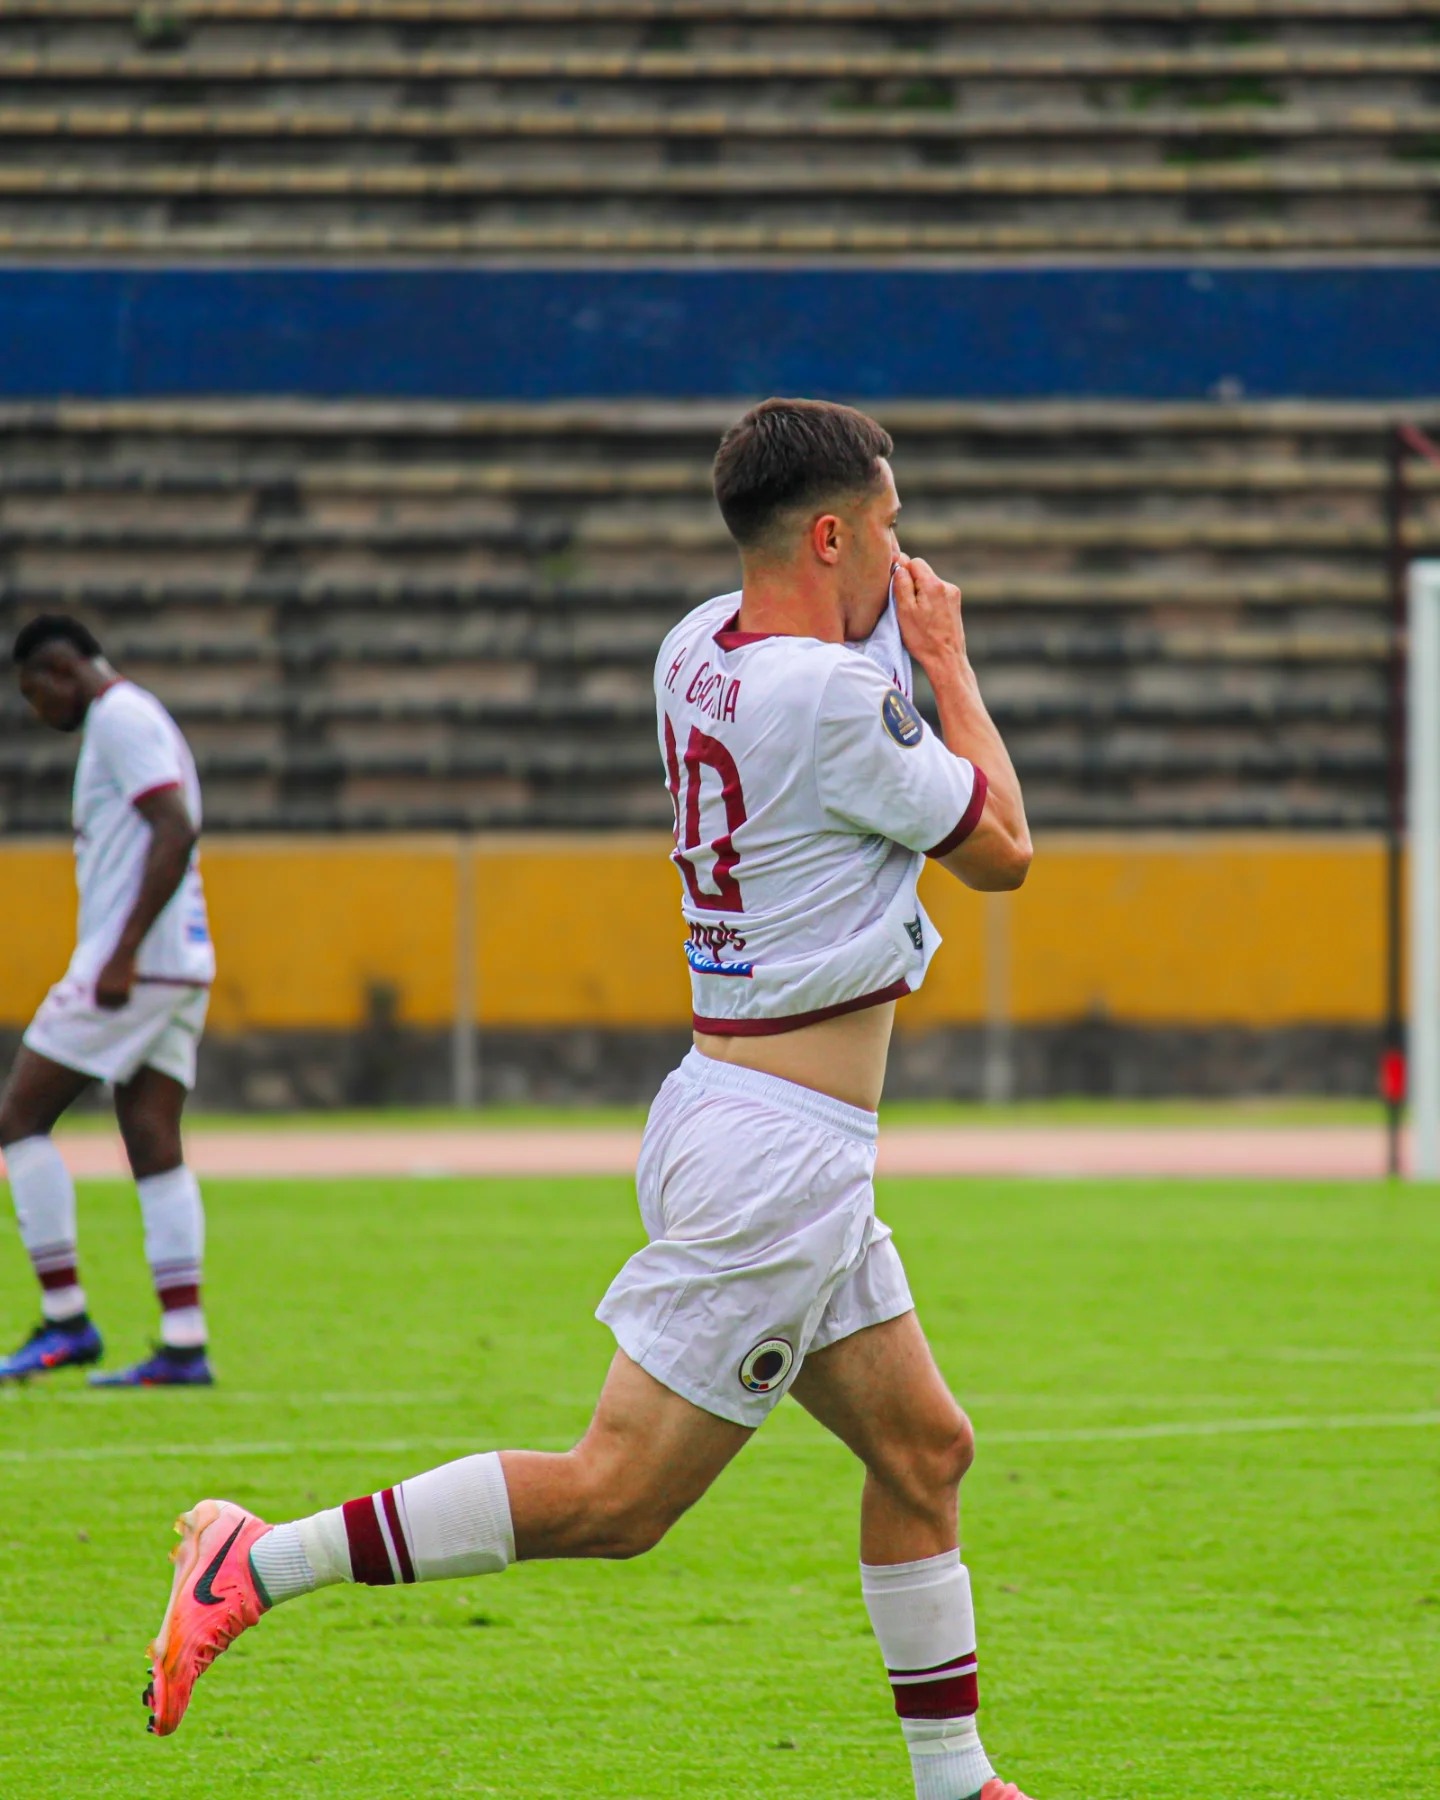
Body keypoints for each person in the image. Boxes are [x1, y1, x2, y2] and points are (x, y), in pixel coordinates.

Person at [142, 399, 1035, 1800]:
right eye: (890, 521)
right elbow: (1005, 850)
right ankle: (258, 1558)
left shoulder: (695, 646)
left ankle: (955, 1779)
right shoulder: (842, 697)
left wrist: (884, 643)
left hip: (724, 1103)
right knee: (617, 1497)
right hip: (779, 1159)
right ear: (828, 532)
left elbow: (824, 678)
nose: (904, 547)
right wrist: (950, 661)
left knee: (925, 1449)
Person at [0, 615, 215, 1387]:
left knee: (17, 1118)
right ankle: (183, 1343)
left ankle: (65, 1322)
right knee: (152, 1137)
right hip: (179, 963)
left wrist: (119, 952)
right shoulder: (138, 715)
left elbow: (174, 828)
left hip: (136, 965)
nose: (35, 709)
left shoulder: (119, 717)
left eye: (34, 691)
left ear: (63, 670)